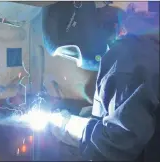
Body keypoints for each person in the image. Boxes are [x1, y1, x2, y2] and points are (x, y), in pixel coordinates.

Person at [42, 2, 159, 161]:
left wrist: (68, 125)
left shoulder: (128, 56)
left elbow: (114, 146)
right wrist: (96, 115)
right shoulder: (146, 44)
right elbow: (137, 109)